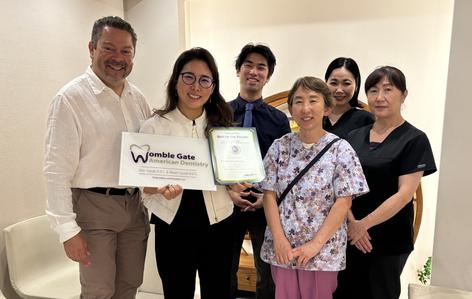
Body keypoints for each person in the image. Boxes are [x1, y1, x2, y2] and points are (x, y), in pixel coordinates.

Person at [44, 16, 151, 298]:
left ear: (133, 55)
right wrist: (67, 230)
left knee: (129, 285)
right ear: (91, 48)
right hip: (93, 209)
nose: (118, 58)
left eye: (125, 51)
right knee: (99, 291)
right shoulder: (70, 99)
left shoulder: (137, 98)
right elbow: (56, 171)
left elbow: (148, 156)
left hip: (134, 207)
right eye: (109, 48)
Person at [260, 76, 369, 299]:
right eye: (298, 101)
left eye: (313, 100)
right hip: (283, 250)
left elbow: (344, 201)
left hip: (323, 253)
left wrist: (315, 245)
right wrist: (279, 240)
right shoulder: (280, 147)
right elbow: (269, 195)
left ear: (327, 107)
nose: (305, 108)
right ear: (291, 108)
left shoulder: (341, 150)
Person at [334, 66, 437, 299]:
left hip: (389, 239)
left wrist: (363, 225)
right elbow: (342, 185)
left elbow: (404, 194)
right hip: (349, 234)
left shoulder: (414, 139)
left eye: (388, 90)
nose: (379, 97)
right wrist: (352, 224)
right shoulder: (354, 136)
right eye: (373, 90)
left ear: (403, 95)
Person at [140, 47, 235, 299]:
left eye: (205, 80)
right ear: (176, 80)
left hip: (219, 224)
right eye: (188, 77)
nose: (196, 86)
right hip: (173, 227)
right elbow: (141, 184)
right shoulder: (154, 127)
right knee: (177, 292)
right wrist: (158, 188)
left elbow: (231, 177)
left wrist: (238, 182)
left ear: (213, 86)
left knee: (219, 292)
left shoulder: (223, 126)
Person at [229, 43, 291, 299]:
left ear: (268, 75)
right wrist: (229, 190)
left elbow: (285, 167)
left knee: (268, 272)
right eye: (248, 65)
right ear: (238, 70)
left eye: (261, 67)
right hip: (226, 202)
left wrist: (264, 198)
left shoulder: (279, 120)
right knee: (223, 268)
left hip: (265, 204)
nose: (254, 71)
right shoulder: (220, 112)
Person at [324, 57, 374, 138]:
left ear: (356, 86)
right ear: (325, 83)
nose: (339, 90)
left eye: (346, 83)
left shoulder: (366, 120)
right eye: (334, 83)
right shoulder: (315, 116)